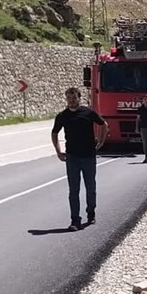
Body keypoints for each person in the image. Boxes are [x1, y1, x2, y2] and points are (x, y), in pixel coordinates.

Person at [52, 86, 107, 229]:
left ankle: (91, 213)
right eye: (69, 98)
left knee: (91, 188)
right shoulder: (62, 116)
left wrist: (101, 141)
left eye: (74, 97)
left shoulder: (88, 113)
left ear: (79, 98)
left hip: (88, 156)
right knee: (73, 190)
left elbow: (103, 124)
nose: (71, 100)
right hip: (72, 158)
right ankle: (75, 220)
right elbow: (54, 133)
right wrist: (58, 151)